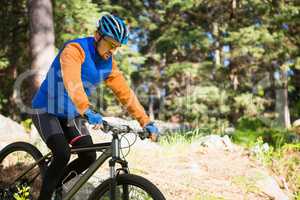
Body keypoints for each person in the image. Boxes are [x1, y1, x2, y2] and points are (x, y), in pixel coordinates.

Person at [30, 13, 159, 200]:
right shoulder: (75, 50)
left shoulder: (108, 64)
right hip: (45, 109)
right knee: (62, 153)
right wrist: (87, 109)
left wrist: (145, 121)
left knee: (89, 156)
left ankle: (55, 185)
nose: (113, 50)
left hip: (71, 113)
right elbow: (72, 82)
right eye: (111, 44)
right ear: (98, 35)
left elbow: (125, 94)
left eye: (117, 47)